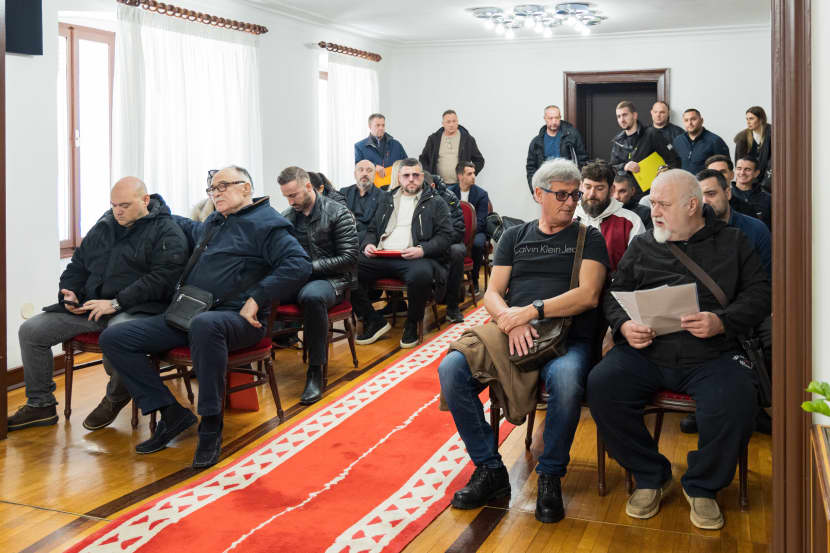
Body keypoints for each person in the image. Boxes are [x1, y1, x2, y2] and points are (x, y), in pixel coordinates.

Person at [587, 169, 770, 530]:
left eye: (663, 204)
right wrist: (625, 326)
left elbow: (760, 294)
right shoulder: (643, 244)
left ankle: (702, 485)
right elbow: (614, 295)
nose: (653, 211)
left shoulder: (733, 242)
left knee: (737, 399)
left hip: (712, 352)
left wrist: (722, 321)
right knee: (602, 385)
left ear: (691, 206)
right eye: (652, 202)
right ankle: (650, 474)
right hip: (648, 350)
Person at [99, 165, 312, 469]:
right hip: (191, 313)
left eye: (223, 186)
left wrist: (257, 297)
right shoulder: (216, 221)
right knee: (115, 337)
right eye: (212, 188)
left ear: (246, 188)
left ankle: (211, 425)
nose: (216, 193)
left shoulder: (268, 224)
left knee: (204, 325)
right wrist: (151, 208)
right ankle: (171, 413)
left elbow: (299, 264)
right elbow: (190, 228)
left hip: (238, 320)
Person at [439, 158, 609, 524]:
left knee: (566, 381)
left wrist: (530, 312)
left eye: (575, 195)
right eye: (561, 195)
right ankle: (490, 469)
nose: (571, 202)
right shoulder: (515, 236)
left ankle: (550, 475)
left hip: (567, 336)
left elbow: (588, 295)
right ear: (538, 194)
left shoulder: (589, 238)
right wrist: (508, 320)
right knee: (452, 368)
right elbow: (492, 293)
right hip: (512, 330)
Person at [7, 178, 188, 432]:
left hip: (137, 309)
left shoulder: (167, 231)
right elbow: (77, 266)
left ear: (145, 200)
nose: (117, 211)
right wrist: (69, 294)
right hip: (92, 307)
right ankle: (40, 405)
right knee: (31, 331)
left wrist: (116, 303)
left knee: (118, 336)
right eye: (114, 205)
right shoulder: (104, 226)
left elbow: (162, 280)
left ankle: (115, 397)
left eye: (124, 205)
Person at [352, 158, 453, 349]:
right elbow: (372, 229)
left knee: (420, 275)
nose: (411, 179)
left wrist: (422, 250)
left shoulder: (436, 202)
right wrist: (368, 244)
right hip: (383, 254)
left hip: (415, 257)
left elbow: (446, 236)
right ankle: (373, 319)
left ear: (422, 176)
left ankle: (412, 324)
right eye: (406, 175)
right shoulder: (386, 199)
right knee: (348, 269)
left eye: (415, 175)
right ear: (399, 178)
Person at [279, 166, 358, 405]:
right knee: (259, 290)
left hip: (332, 280)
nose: (290, 201)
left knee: (312, 297)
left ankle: (315, 370)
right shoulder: (287, 217)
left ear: (308, 186)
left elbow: (349, 258)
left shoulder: (337, 212)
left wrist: (309, 267)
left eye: (293, 195)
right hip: (299, 278)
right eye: (286, 196)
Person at [575, 161, 645, 271]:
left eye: (599, 188)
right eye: (587, 187)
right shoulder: (568, 217)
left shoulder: (631, 221)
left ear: (611, 190)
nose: (592, 194)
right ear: (580, 186)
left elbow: (638, 266)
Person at [425, 171, 466, 323]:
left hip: (448, 242)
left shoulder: (449, 197)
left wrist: (438, 243)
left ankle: (452, 306)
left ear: (432, 186)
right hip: (424, 243)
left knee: (457, 252)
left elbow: (458, 229)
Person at [610, 101, 679, 190]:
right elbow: (612, 167)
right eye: (619, 116)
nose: (622, 119)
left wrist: (665, 171)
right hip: (626, 192)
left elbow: (674, 160)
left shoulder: (651, 134)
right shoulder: (618, 141)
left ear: (634, 115)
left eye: (625, 115)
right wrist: (625, 166)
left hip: (652, 191)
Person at [525, 105, 588, 193]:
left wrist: (581, 186)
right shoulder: (536, 142)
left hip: (568, 183)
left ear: (560, 117)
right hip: (546, 185)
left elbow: (582, 160)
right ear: (545, 119)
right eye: (550, 118)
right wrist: (534, 191)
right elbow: (531, 168)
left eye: (556, 118)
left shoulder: (572, 135)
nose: (554, 121)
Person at [449, 161, 491, 292]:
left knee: (477, 244)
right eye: (469, 174)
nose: (474, 176)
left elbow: (481, 221)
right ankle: (450, 281)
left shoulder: (481, 194)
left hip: (476, 231)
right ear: (460, 176)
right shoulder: (449, 193)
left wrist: (466, 234)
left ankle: (474, 278)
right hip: (455, 231)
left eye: (474, 173)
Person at [419, 110, 485, 185]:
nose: (451, 124)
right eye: (448, 122)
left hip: (460, 185)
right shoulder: (433, 139)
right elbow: (423, 159)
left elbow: (479, 161)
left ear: (457, 122)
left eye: (454, 121)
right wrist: (429, 177)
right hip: (438, 185)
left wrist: (469, 175)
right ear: (443, 124)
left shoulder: (467, 139)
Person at [354, 113, 408, 186]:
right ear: (370, 126)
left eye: (383, 125)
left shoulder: (396, 144)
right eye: (377, 125)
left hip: (395, 187)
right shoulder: (359, 146)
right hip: (372, 188)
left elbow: (407, 164)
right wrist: (374, 166)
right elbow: (358, 168)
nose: (381, 128)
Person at [672, 109, 730, 175]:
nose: (690, 123)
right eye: (686, 120)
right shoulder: (678, 140)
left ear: (701, 121)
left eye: (693, 119)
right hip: (684, 180)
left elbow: (725, 168)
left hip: (707, 181)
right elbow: (675, 164)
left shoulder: (715, 141)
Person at [341, 160, 382, 243]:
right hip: (345, 236)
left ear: (374, 175)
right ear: (355, 174)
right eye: (361, 170)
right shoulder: (344, 192)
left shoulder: (383, 196)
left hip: (368, 239)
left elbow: (377, 226)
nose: (365, 173)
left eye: (369, 170)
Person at [704, 154, 756, 219]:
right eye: (712, 172)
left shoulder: (746, 209)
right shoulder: (698, 207)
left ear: (732, 175)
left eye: (722, 172)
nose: (718, 176)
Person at [734, 106, 771, 191]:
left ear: (761, 119)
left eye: (751, 119)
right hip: (749, 181)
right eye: (747, 119)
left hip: (768, 181)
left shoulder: (772, 134)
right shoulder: (742, 138)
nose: (748, 122)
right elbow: (739, 163)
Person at [732, 155, 772, 229]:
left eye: (747, 169)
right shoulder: (726, 196)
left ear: (756, 173)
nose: (742, 172)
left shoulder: (767, 199)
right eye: (739, 168)